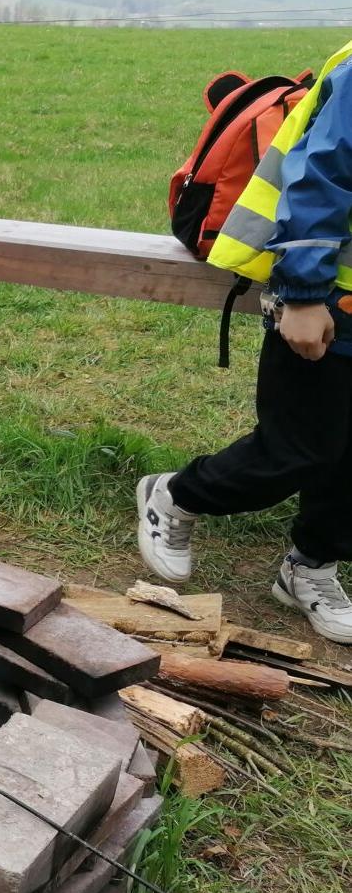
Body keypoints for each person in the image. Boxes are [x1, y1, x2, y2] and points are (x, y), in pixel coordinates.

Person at [136, 37, 352, 644]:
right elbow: (322, 175)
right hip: (330, 300)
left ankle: (309, 565)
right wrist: (306, 295)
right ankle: (176, 495)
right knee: (300, 446)